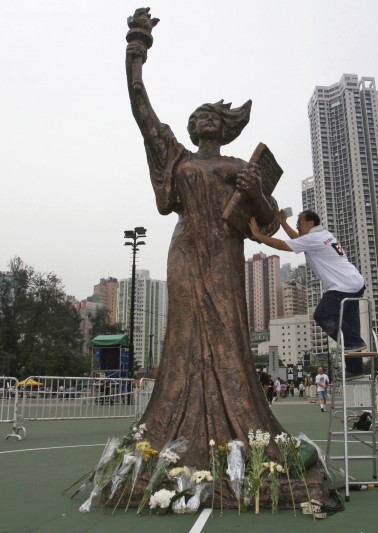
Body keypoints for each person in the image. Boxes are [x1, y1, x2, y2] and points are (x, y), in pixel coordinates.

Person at [123, 9, 286, 464]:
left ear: (225, 124)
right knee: (183, 334)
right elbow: (141, 109)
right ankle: (175, 427)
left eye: (211, 113)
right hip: (187, 251)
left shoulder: (240, 168)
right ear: (191, 128)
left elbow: (269, 224)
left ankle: (237, 427)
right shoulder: (177, 158)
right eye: (197, 115)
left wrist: (256, 194)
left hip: (225, 256)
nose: (203, 118)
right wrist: (136, 49)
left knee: (227, 333)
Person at [250, 210, 367, 376]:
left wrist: (257, 235)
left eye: (300, 223)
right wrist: (283, 223)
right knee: (349, 325)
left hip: (342, 286)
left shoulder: (314, 238)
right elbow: (298, 240)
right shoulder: (323, 235)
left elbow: (283, 245)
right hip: (355, 283)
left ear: (311, 223)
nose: (298, 226)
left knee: (322, 315)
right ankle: (355, 369)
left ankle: (353, 342)